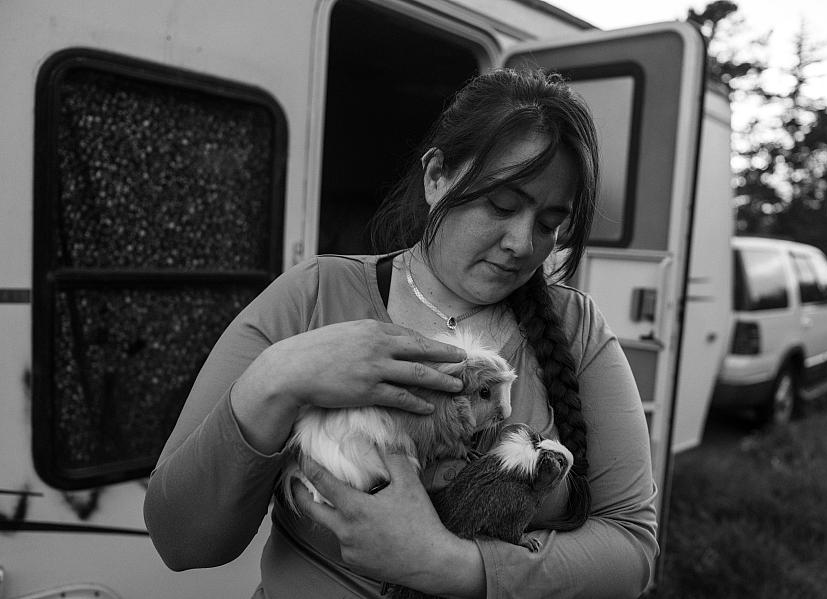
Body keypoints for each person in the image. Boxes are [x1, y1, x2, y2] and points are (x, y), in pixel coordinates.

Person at [144, 67, 658, 598]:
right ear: (437, 176)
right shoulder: (314, 295)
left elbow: (631, 550)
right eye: (500, 205)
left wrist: (451, 565)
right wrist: (276, 378)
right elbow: (181, 542)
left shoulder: (579, 330)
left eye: (550, 223)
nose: (522, 242)